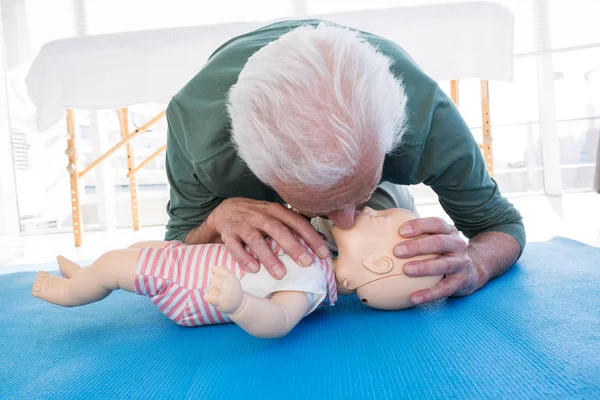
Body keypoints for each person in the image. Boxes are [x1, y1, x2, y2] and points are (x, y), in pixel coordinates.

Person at [163, 20, 525, 307]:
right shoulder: (199, 137)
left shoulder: (424, 118)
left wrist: (475, 266)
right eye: (314, 204)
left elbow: (501, 224)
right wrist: (216, 219)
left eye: (360, 194)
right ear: (256, 171)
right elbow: (176, 246)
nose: (347, 222)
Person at [31, 207, 439, 338]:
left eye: (381, 218)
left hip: (190, 289)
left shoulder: (312, 283)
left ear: (379, 265)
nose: (370, 208)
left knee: (114, 266)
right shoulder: (319, 251)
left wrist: (239, 303)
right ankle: (83, 277)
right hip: (189, 260)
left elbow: (278, 320)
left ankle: (69, 292)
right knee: (136, 251)